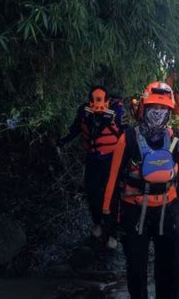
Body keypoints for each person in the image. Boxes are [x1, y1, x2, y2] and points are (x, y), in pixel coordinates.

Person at [102, 82, 179, 299]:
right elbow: (112, 180)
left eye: (163, 110)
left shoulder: (175, 138)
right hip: (134, 213)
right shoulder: (128, 139)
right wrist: (108, 215)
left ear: (169, 112)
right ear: (143, 109)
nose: (158, 114)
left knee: (170, 270)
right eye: (153, 109)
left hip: (167, 212)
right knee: (136, 270)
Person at [57, 86, 125, 248]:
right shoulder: (84, 112)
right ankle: (97, 223)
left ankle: (112, 233)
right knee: (92, 193)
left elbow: (127, 136)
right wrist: (62, 141)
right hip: (93, 159)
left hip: (111, 161)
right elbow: (75, 130)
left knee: (112, 197)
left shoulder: (118, 113)